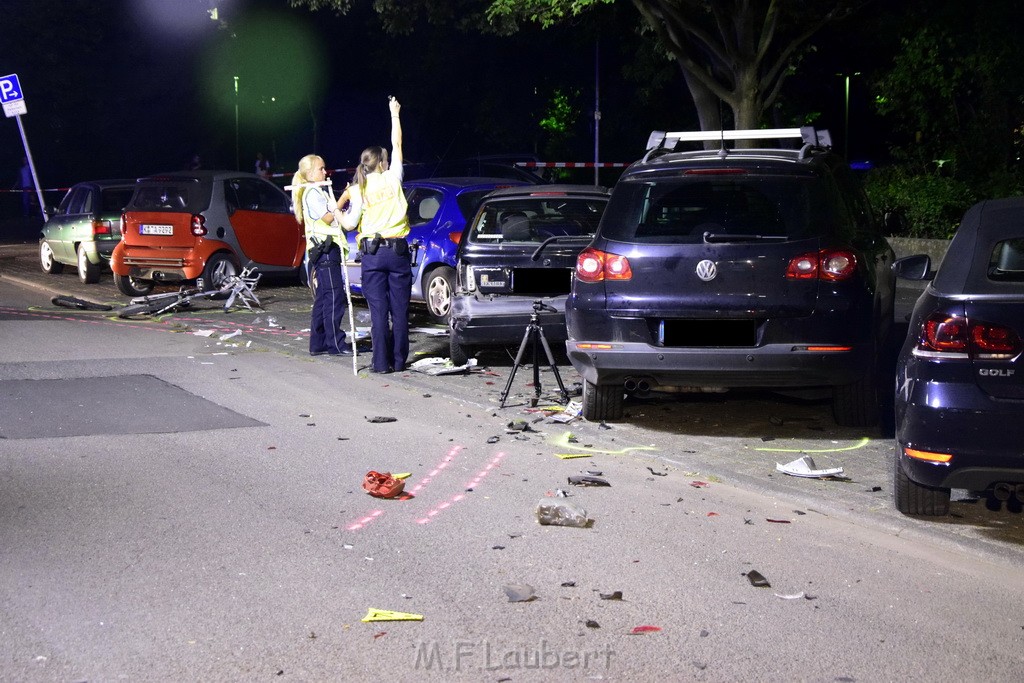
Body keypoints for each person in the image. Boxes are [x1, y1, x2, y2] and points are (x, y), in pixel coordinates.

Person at [341, 97, 410, 374]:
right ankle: (400, 361)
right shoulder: (394, 177)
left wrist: (337, 213)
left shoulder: (359, 189)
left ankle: (381, 364)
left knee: (379, 311)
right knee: (400, 310)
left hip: (372, 253)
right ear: (382, 162)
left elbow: (349, 224)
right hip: (397, 252)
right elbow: (397, 145)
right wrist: (394, 115)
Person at [291, 154, 351, 357]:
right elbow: (327, 218)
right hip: (325, 250)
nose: (325, 172)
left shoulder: (316, 191)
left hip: (323, 250)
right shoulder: (313, 193)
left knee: (324, 298)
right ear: (309, 174)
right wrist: (344, 197)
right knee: (335, 296)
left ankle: (318, 343)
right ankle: (336, 343)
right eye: (321, 169)